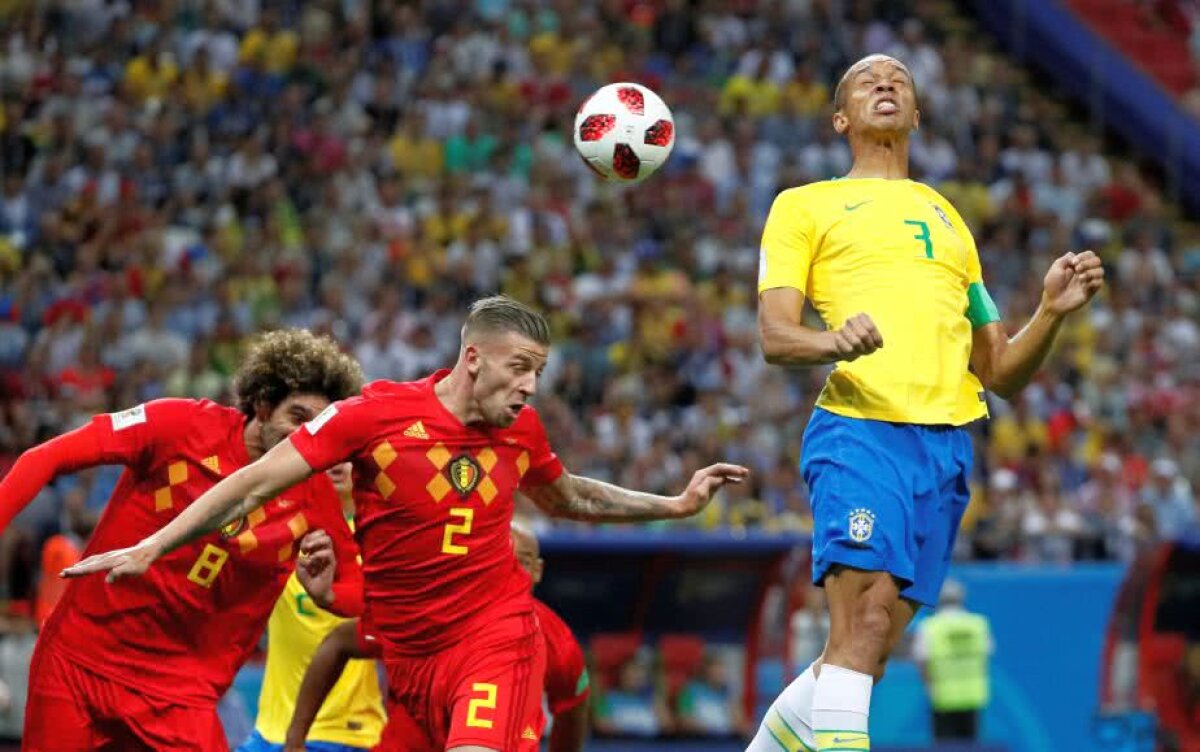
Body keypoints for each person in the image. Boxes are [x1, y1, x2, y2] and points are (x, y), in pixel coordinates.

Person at [65, 295, 749, 752]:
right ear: (473, 357)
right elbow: (254, 481)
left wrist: (672, 504)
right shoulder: (375, 417)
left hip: (490, 640)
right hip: (410, 665)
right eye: (520, 368)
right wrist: (154, 544)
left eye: (538, 373)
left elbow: (570, 496)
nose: (530, 387)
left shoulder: (522, 432)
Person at [749, 54, 1104, 752]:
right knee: (865, 632)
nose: (886, 83)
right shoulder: (804, 205)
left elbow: (999, 367)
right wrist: (833, 341)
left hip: (944, 448)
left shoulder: (948, 220)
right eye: (865, 80)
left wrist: (1050, 312)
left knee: (866, 650)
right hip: (860, 430)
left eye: (901, 81)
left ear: (917, 115)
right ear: (840, 117)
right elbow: (774, 334)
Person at [1, 329, 365, 751]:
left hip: (180, 695)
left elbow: (356, 591)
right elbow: (47, 457)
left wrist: (327, 597)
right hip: (81, 660)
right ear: (263, 406)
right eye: (298, 418)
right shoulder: (179, 425)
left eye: (318, 427)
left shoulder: (314, 494)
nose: (306, 437)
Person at [282, 522, 589, 752]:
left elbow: (573, 707)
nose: (507, 572)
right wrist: (295, 741)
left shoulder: (556, 640)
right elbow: (338, 643)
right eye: (497, 559)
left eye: (519, 562)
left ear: (537, 570)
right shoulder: (425, 615)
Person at [237, 462, 387, 752]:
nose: (337, 464)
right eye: (330, 454)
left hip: (347, 735)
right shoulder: (280, 536)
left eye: (349, 455)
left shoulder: (382, 544)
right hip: (268, 731)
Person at [911, 579, 993, 742]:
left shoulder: (930, 627)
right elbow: (986, 655)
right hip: (973, 696)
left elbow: (921, 660)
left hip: (942, 698)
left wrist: (929, 686)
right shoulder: (978, 624)